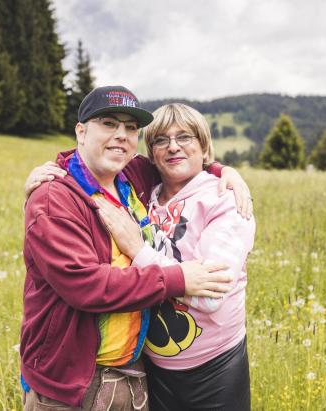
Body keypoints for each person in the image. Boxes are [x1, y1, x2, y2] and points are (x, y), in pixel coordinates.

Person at [21, 86, 246, 410]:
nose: (121, 135)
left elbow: (181, 160)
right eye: (109, 124)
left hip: (136, 373)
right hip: (72, 384)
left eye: (130, 128)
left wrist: (226, 172)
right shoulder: (54, 199)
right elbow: (86, 286)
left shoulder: (132, 175)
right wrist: (178, 277)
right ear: (81, 132)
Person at [98, 103, 255, 410]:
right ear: (151, 153)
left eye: (185, 137)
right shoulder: (144, 197)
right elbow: (92, 157)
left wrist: (138, 250)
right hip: (152, 370)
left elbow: (212, 295)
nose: (173, 147)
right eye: (161, 140)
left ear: (203, 146)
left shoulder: (225, 201)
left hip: (214, 369)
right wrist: (49, 173)